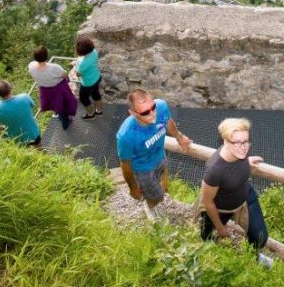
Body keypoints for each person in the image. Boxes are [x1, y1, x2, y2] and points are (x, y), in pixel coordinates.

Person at [198, 118, 271, 267]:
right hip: (220, 207)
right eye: (237, 142)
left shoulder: (241, 154)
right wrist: (220, 227)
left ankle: (255, 257)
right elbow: (207, 202)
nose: (243, 147)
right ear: (225, 141)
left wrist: (247, 163)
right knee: (206, 236)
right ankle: (208, 260)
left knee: (260, 238)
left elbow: (237, 165)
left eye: (246, 141)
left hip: (245, 196)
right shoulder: (214, 170)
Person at [116, 88, 191, 220]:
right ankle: (150, 206)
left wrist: (179, 137)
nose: (153, 114)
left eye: (153, 107)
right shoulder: (126, 135)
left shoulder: (161, 106)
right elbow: (125, 164)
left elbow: (169, 122)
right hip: (143, 169)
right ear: (132, 113)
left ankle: (150, 196)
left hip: (160, 158)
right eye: (145, 112)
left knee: (157, 181)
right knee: (158, 196)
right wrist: (133, 188)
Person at [28, 46, 77, 130]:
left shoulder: (31, 67)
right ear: (47, 56)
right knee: (64, 106)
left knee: (54, 104)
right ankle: (65, 124)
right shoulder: (54, 68)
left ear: (35, 57)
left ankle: (58, 114)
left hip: (45, 90)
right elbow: (64, 74)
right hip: (57, 90)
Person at [0, 79, 42, 148]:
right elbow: (32, 105)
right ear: (11, 88)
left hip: (17, 140)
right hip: (33, 134)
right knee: (40, 152)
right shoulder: (25, 97)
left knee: (24, 156)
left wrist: (2, 127)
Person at [75, 36, 104, 119]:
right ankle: (99, 110)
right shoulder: (94, 52)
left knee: (83, 98)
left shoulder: (82, 64)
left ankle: (90, 114)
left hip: (88, 83)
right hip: (97, 77)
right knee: (95, 94)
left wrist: (77, 65)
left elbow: (78, 74)